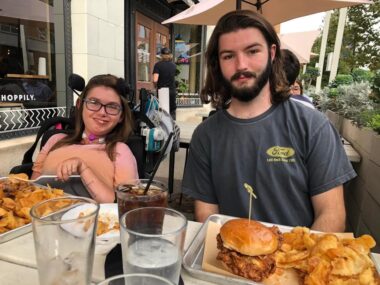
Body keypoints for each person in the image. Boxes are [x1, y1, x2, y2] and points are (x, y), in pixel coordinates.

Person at [181, 10, 356, 232]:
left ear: (272, 53)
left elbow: (331, 215)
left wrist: (295, 263)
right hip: (227, 261)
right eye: (228, 56)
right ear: (218, 62)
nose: (241, 64)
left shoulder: (313, 126)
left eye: (252, 51)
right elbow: (207, 213)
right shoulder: (205, 135)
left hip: (296, 261)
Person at [31, 74, 139, 203]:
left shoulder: (120, 150)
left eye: (112, 107)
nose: (102, 112)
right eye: (94, 102)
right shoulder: (55, 139)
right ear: (80, 105)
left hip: (90, 220)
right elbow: (31, 189)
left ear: (121, 116)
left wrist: (83, 168)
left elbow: (126, 205)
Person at [153, 47, 177, 119]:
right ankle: (172, 127)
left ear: (161, 55)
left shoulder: (158, 65)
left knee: (162, 112)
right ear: (170, 55)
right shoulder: (174, 65)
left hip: (162, 91)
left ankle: (164, 128)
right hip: (172, 91)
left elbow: (155, 80)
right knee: (172, 111)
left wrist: (155, 86)